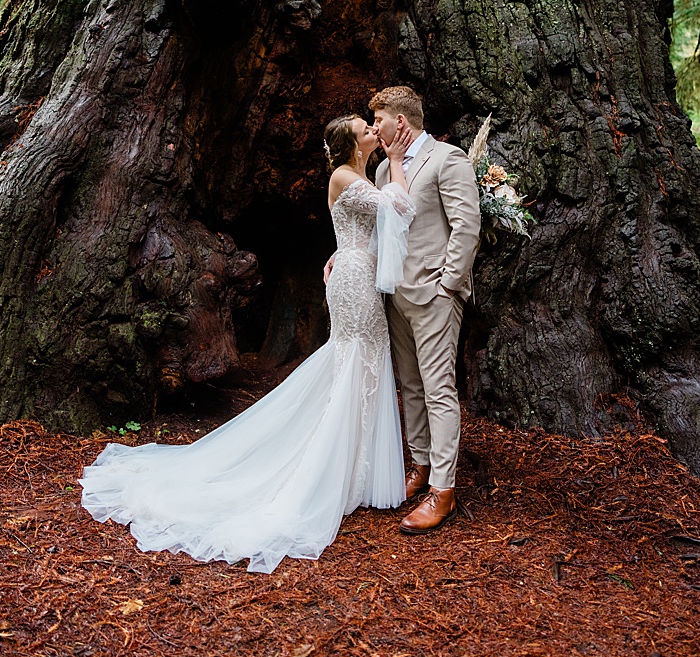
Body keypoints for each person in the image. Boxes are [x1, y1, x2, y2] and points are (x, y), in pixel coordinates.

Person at [75, 112, 412, 572]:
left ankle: (359, 469)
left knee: (362, 363)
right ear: (351, 143)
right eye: (365, 128)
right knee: (355, 362)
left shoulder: (360, 173)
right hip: (354, 282)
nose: (374, 131)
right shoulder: (344, 174)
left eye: (373, 128)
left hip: (356, 273)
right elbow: (398, 209)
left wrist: (340, 250)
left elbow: (367, 232)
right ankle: (330, 470)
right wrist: (397, 161)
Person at [367, 85, 481, 533]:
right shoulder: (380, 172)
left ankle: (443, 489)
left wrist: (447, 286)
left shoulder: (448, 160)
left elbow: (466, 227)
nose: (373, 128)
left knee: (438, 390)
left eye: (378, 120)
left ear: (401, 122)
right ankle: (419, 466)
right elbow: (384, 229)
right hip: (395, 294)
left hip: (434, 294)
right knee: (410, 387)